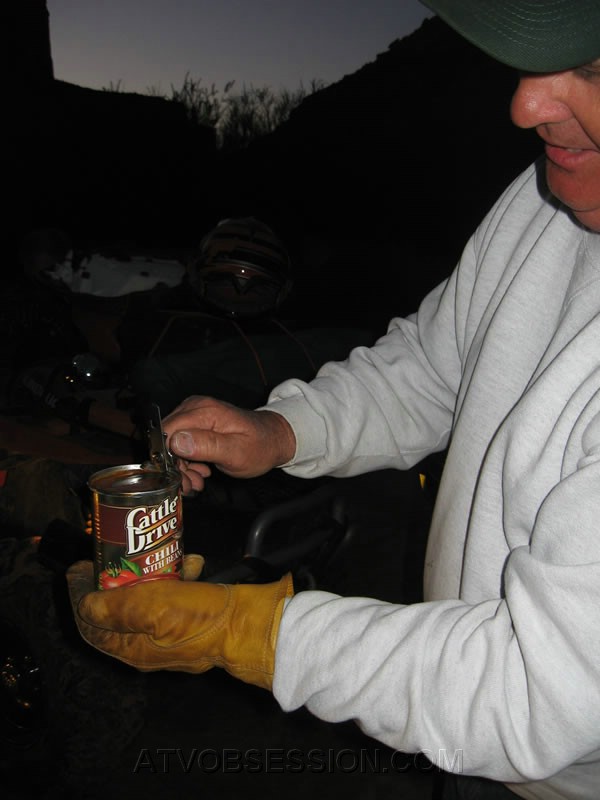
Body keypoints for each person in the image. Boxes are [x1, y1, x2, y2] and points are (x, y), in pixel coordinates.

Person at [66, 2, 600, 798]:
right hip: (463, 745)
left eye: (590, 68)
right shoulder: (541, 200)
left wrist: (249, 632)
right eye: (533, 61)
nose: (524, 105)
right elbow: (434, 366)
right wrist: (284, 428)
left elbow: (529, 691)